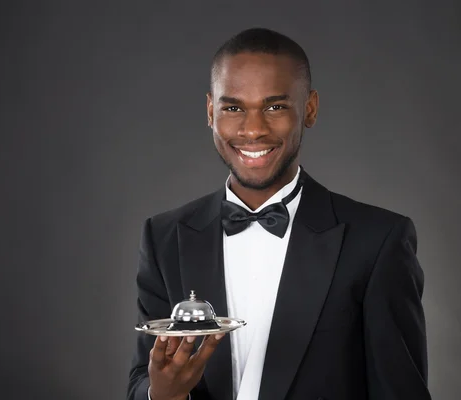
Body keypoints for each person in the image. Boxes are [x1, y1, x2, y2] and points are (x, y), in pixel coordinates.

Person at [127, 27, 432, 400]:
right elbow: (142, 382)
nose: (253, 129)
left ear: (310, 109)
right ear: (211, 111)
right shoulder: (163, 237)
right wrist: (162, 394)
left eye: (275, 107)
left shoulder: (378, 240)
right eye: (233, 107)